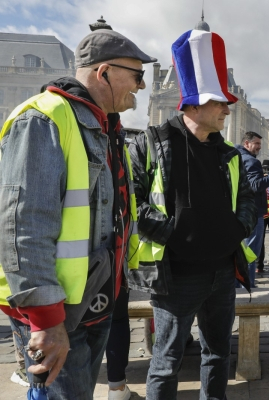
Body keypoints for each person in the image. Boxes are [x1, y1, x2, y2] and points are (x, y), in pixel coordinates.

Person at [0, 29, 153, 399]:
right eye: (136, 75)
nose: (142, 86)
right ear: (103, 73)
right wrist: (46, 319)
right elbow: (24, 224)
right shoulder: (43, 118)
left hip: (91, 301)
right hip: (57, 311)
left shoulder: (104, 124)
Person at [128, 29, 256, 400]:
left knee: (218, 355)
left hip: (222, 273)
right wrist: (173, 233)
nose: (227, 111)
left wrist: (236, 230)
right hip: (177, 275)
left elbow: (250, 197)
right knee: (166, 361)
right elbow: (132, 203)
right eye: (220, 103)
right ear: (195, 105)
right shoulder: (151, 142)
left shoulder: (229, 152)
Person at [235, 132, 269, 287]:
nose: (259, 147)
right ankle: (247, 282)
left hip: (241, 210)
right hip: (253, 212)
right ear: (246, 143)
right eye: (256, 143)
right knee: (251, 252)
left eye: (259, 144)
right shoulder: (251, 161)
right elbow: (255, 186)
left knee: (242, 250)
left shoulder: (237, 158)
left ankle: (239, 282)